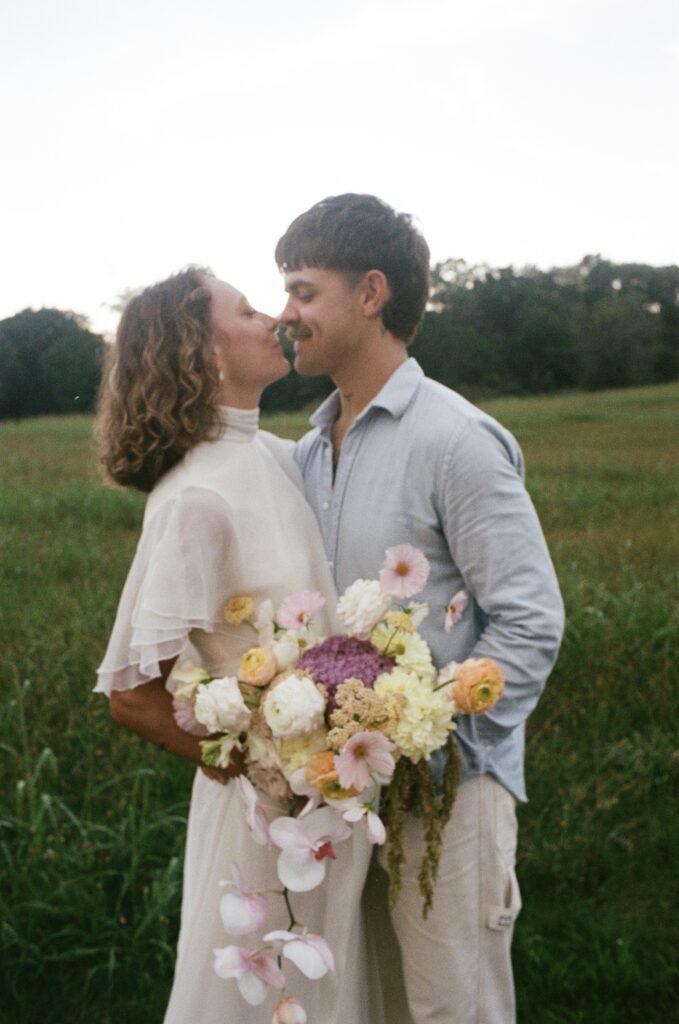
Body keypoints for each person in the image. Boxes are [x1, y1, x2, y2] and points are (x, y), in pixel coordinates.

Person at [276, 194, 565, 1024]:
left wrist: (432, 739)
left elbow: (528, 621)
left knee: (452, 1011)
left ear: (371, 294)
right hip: (342, 799)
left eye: (302, 291)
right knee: (366, 1008)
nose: (284, 313)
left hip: (449, 792)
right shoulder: (306, 449)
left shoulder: (456, 439)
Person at [94, 267, 375, 1024]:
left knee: (331, 992)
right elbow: (130, 696)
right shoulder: (195, 500)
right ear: (205, 354)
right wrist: (261, 765)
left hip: (332, 802)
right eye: (248, 311)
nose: (272, 319)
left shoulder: (275, 458)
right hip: (261, 818)